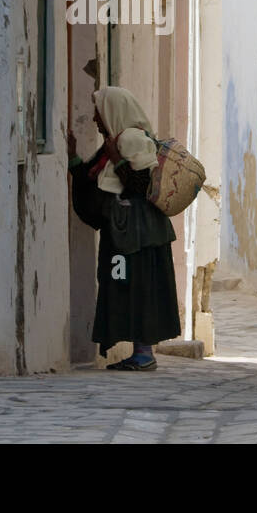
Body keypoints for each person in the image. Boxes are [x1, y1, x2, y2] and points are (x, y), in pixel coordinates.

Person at [67, 86, 182, 370]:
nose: (95, 117)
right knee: (125, 284)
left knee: (137, 285)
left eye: (98, 110)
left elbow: (142, 184)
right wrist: (73, 158)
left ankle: (144, 353)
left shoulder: (131, 139)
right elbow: (94, 178)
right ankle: (140, 352)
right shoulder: (116, 141)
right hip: (126, 231)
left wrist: (117, 159)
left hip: (138, 233)